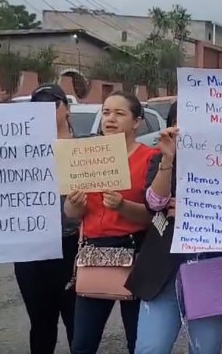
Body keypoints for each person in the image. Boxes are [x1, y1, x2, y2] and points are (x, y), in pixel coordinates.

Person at [126, 101, 222, 354]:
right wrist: (168, 159)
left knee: (206, 349)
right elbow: (154, 204)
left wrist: (196, 210)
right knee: (150, 349)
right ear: (171, 126)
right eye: (180, 122)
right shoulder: (161, 160)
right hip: (163, 272)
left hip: (211, 268)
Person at [0, 84, 80, 354]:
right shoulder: (20, 145)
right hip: (30, 247)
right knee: (41, 323)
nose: (46, 111)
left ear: (66, 108)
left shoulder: (86, 147)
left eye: (53, 104)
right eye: (39, 105)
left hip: (72, 244)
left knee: (77, 324)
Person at [64, 92, 159, 354]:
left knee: (137, 342)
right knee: (82, 343)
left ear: (137, 121)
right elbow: (71, 213)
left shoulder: (151, 158)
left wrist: (122, 206)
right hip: (94, 253)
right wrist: (75, 202)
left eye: (119, 113)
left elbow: (155, 216)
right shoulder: (86, 156)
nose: (111, 119)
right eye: (106, 112)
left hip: (135, 254)